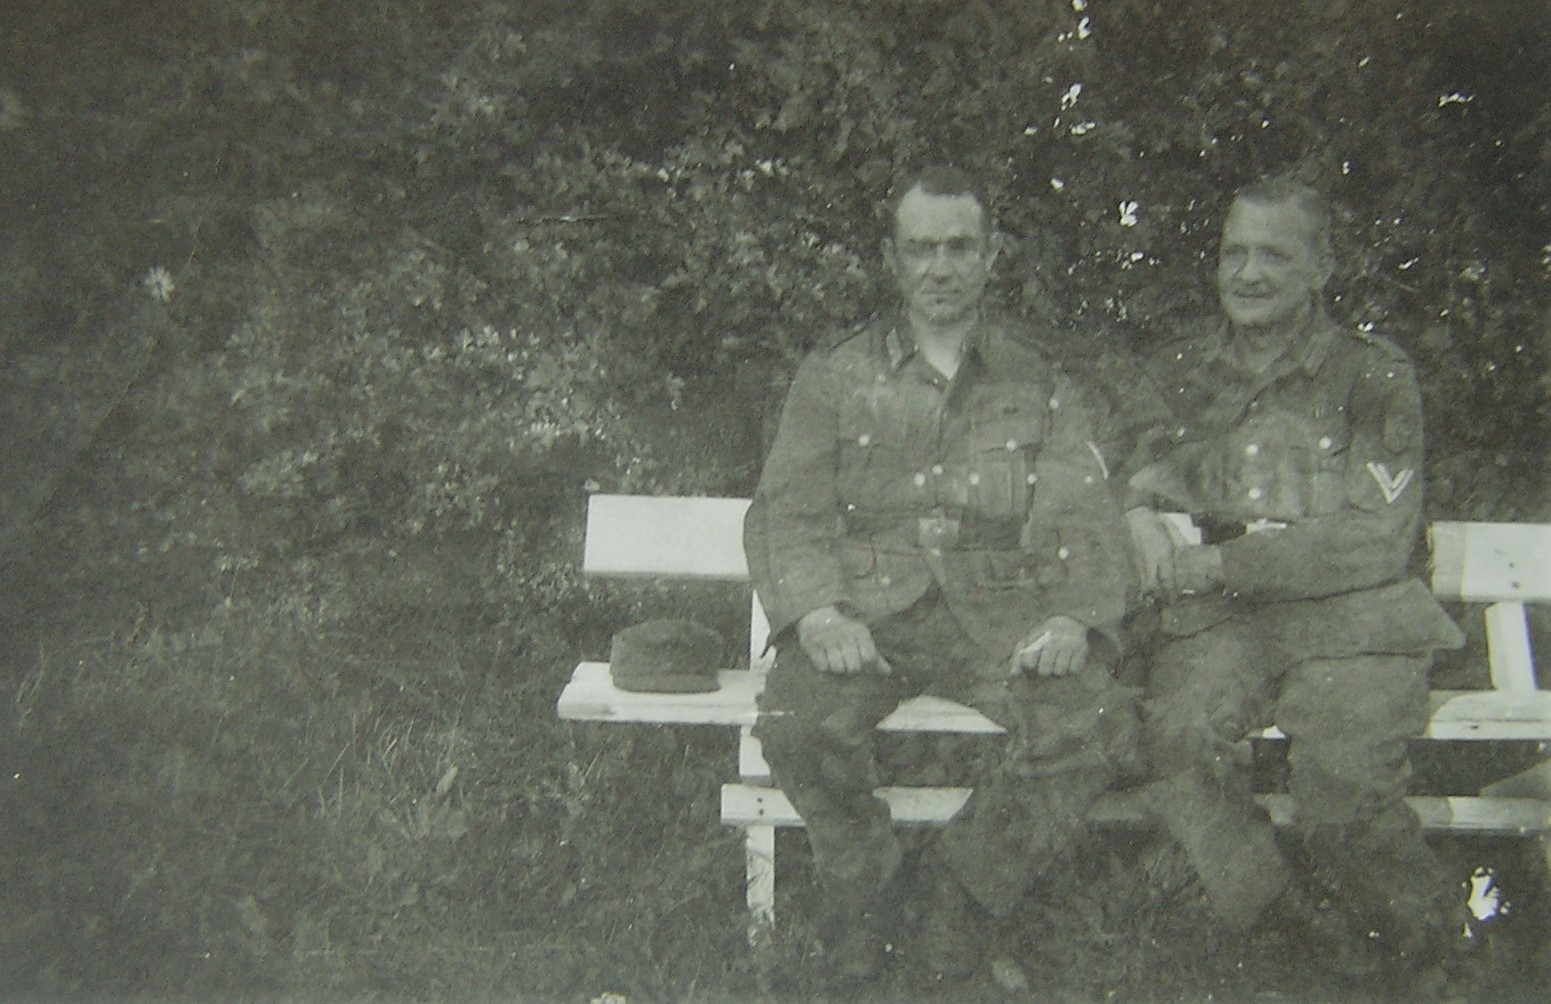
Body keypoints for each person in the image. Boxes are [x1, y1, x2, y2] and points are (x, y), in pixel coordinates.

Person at [743, 166, 1139, 984]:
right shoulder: (835, 373)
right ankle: (868, 896)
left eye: (960, 247)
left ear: (991, 257)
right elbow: (786, 511)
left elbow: (1082, 510)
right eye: (921, 249)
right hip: (868, 613)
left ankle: (951, 906)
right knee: (796, 723)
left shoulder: (1039, 376)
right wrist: (817, 614)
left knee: (1095, 720)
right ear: (891, 260)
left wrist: (1072, 617)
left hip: (997, 615)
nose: (941, 267)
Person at [1120, 177, 1467, 982]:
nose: (1247, 274)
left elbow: (1374, 538)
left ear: (1321, 267)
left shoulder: (1371, 376)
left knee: (1343, 787)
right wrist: (1132, 509)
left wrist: (1222, 562)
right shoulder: (1180, 372)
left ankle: (1435, 960)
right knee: (1171, 740)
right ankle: (1287, 928)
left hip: (1353, 624)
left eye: (1272, 256)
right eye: (1232, 254)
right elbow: (1122, 463)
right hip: (1226, 625)